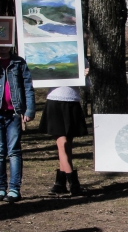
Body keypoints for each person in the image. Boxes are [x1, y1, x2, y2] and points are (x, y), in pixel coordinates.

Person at [0, 42, 36, 202]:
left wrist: (29, 110)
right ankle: (0, 188)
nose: (3, 47)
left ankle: (14, 189)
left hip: (14, 113)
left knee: (14, 151)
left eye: (6, 44)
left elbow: (28, 87)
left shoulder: (18, 62)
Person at [39, 62, 91, 196]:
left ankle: (60, 183)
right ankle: (74, 185)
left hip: (72, 103)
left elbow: (88, 88)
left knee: (68, 146)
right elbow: (40, 79)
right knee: (62, 145)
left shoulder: (80, 57)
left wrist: (85, 76)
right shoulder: (50, 58)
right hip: (55, 103)